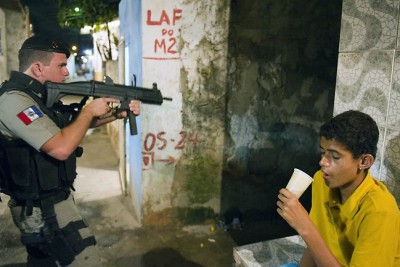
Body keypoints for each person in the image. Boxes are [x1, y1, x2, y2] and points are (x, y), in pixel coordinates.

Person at [0, 35, 140, 266]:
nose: (67, 72)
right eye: (61, 65)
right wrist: (87, 111)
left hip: (50, 201)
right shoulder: (14, 101)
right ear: (37, 67)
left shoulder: (36, 95)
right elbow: (62, 148)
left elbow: (70, 126)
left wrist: (117, 113)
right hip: (41, 210)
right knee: (87, 261)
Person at [277, 110, 400, 267]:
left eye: (335, 157)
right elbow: (318, 244)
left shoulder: (380, 212)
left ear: (364, 161)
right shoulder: (321, 182)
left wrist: (304, 226)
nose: (323, 162)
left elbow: (312, 234)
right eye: (323, 152)